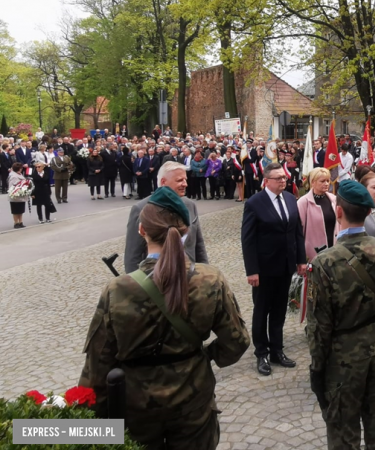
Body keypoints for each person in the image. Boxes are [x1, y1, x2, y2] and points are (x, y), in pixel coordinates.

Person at [79, 187, 250, 449]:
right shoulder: (210, 279)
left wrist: (92, 423)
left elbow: (98, 364)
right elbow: (236, 341)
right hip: (193, 402)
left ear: (141, 231)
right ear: (186, 232)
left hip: (137, 406)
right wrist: (204, 357)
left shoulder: (118, 289)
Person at [306, 180, 375, 449]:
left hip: (343, 360)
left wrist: (318, 368)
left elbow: (319, 327)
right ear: (367, 213)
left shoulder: (324, 262)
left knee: (343, 433)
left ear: (338, 212)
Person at [241, 163, 306, 376]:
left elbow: (297, 231)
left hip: (286, 266)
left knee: (279, 310)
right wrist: (252, 270)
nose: (283, 180)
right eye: (278, 178)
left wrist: (300, 260)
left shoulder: (289, 198)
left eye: (284, 177)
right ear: (266, 180)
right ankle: (262, 353)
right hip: (264, 268)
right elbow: (248, 240)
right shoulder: (254, 203)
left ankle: (277, 350)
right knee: (262, 310)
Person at [124, 162, 209, 273]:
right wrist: (136, 286)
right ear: (163, 182)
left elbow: (198, 245)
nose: (185, 184)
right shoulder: (141, 208)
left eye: (185, 179)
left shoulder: (190, 205)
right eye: (179, 180)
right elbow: (133, 254)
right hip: (156, 280)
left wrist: (205, 272)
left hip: (189, 277)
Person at [297, 167, 339, 260]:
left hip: (334, 249)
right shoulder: (304, 202)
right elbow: (299, 231)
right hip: (313, 254)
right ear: (313, 182)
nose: (326, 184)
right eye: (322, 181)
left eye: (328, 181)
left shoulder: (333, 199)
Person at [7, 163, 29, 228]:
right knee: (15, 211)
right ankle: (16, 223)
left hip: (21, 195)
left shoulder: (19, 174)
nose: (22, 169)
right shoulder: (13, 176)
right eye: (21, 168)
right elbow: (12, 186)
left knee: (21, 210)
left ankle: (20, 222)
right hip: (15, 196)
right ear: (19, 169)